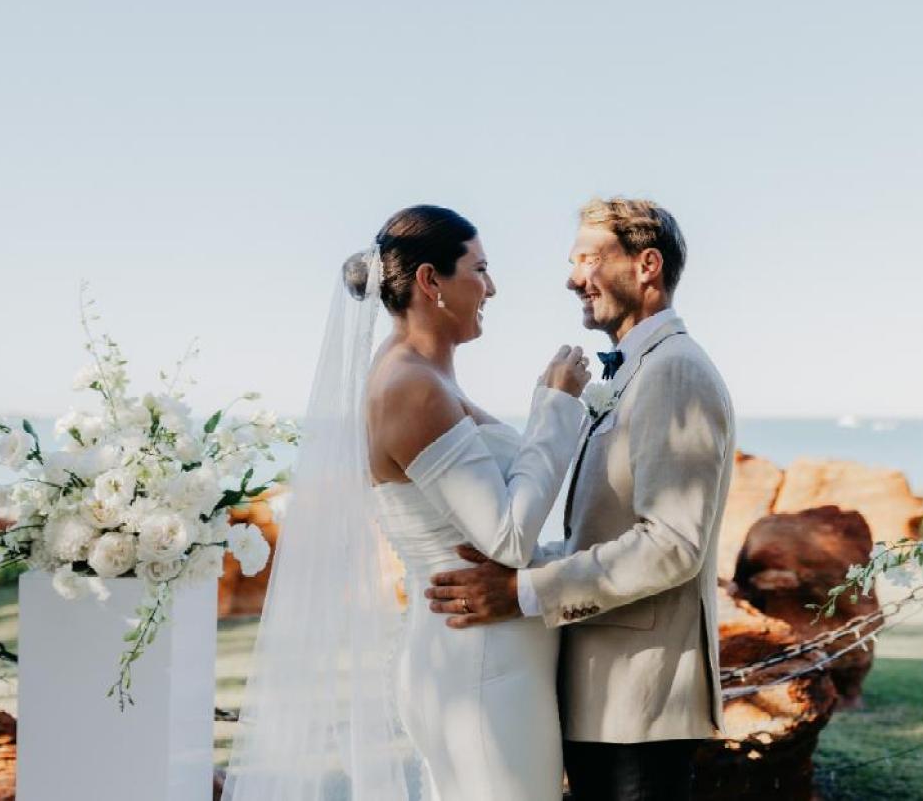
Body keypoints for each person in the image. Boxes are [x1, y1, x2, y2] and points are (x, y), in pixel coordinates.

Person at [224, 204, 590, 801]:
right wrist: (556, 406)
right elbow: (506, 538)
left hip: (480, 657)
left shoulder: (425, 378)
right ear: (429, 281)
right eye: (480, 268)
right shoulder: (410, 387)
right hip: (479, 666)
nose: (491, 287)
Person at [425, 197, 736, 801]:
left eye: (589, 259)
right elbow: (599, 531)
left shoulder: (675, 371)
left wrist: (520, 594)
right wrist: (519, 561)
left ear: (647, 265)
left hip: (639, 703)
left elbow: (672, 545)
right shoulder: (633, 372)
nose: (573, 279)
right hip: (605, 698)